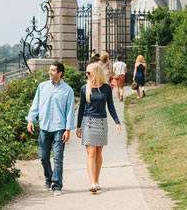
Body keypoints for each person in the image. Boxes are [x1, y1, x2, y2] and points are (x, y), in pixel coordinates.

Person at [26, 62, 75, 197]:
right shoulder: (42, 87)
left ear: (60, 73)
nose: (50, 72)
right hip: (44, 126)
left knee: (58, 158)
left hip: (59, 128)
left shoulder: (68, 90)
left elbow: (70, 111)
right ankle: (48, 178)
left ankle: (57, 185)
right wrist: (31, 119)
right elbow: (35, 104)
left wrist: (68, 130)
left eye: (53, 70)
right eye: (49, 70)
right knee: (43, 157)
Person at [76, 63, 121, 193]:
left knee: (98, 153)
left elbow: (111, 107)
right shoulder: (85, 88)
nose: (87, 75)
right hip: (88, 122)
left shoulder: (106, 88)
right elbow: (81, 109)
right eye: (86, 73)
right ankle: (92, 183)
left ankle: (96, 180)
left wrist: (117, 122)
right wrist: (78, 126)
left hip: (102, 122)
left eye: (89, 73)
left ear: (96, 73)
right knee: (91, 152)